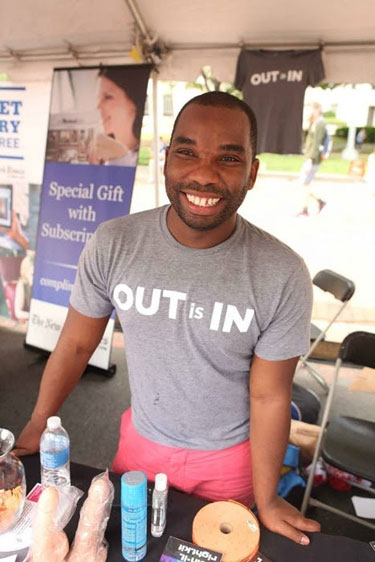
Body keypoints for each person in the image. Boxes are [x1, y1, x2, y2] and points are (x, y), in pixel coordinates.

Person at [15, 92, 320, 546]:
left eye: (229, 158)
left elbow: (270, 396)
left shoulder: (281, 272)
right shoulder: (114, 243)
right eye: (187, 152)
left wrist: (268, 497)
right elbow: (77, 344)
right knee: (127, 546)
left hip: (229, 462)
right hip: (139, 444)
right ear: (166, 159)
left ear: (252, 173)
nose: (204, 174)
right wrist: (41, 420)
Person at [87, 66, 147, 166]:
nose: (98, 106)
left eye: (108, 97)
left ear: (134, 104)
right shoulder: (99, 154)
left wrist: (121, 156)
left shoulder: (141, 160)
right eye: (98, 98)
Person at [297, 102, 327, 216]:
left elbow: (317, 143)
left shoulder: (320, 123)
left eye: (310, 109)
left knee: (305, 183)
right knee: (305, 183)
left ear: (316, 110)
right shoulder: (314, 122)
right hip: (310, 157)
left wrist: (310, 159)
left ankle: (306, 208)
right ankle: (318, 202)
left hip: (313, 159)